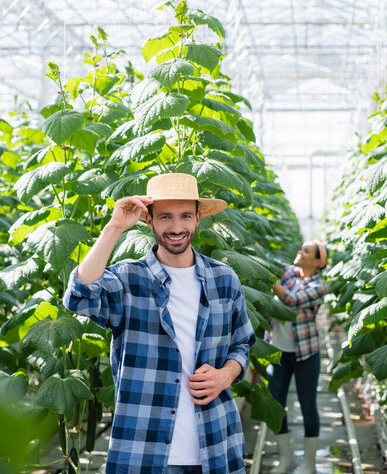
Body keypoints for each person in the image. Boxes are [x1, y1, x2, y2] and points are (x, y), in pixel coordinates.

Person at [63, 172, 255, 474]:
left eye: (185, 216)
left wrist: (225, 376)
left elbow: (242, 344)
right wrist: (114, 227)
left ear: (198, 218)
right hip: (145, 450)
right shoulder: (127, 279)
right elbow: (79, 296)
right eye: (165, 217)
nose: (177, 228)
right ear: (149, 220)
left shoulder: (223, 279)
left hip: (216, 444)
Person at [268, 240, 328, 474]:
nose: (299, 252)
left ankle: (309, 464)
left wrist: (271, 282)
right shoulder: (290, 272)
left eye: (306, 251)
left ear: (317, 262)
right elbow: (269, 262)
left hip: (306, 354)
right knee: (275, 404)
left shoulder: (318, 287)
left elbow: (291, 300)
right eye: (301, 248)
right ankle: (287, 459)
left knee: (308, 407)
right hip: (279, 351)